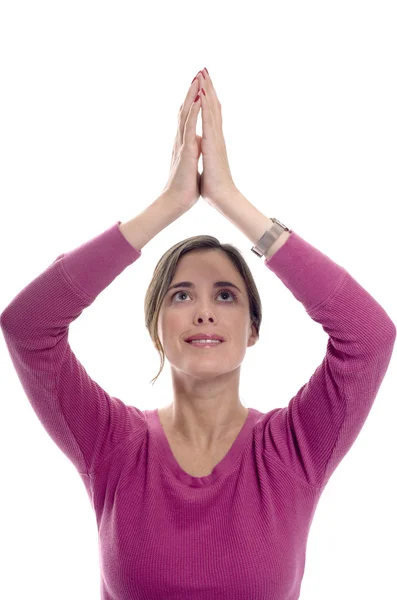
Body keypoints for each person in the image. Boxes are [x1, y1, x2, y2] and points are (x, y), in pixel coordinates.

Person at [1, 67, 395, 600]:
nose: (203, 312)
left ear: (253, 330)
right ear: (156, 326)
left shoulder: (294, 447)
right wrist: (169, 205)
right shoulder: (112, 443)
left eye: (226, 296)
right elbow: (27, 327)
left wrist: (229, 198)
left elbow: (369, 336)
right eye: (181, 295)